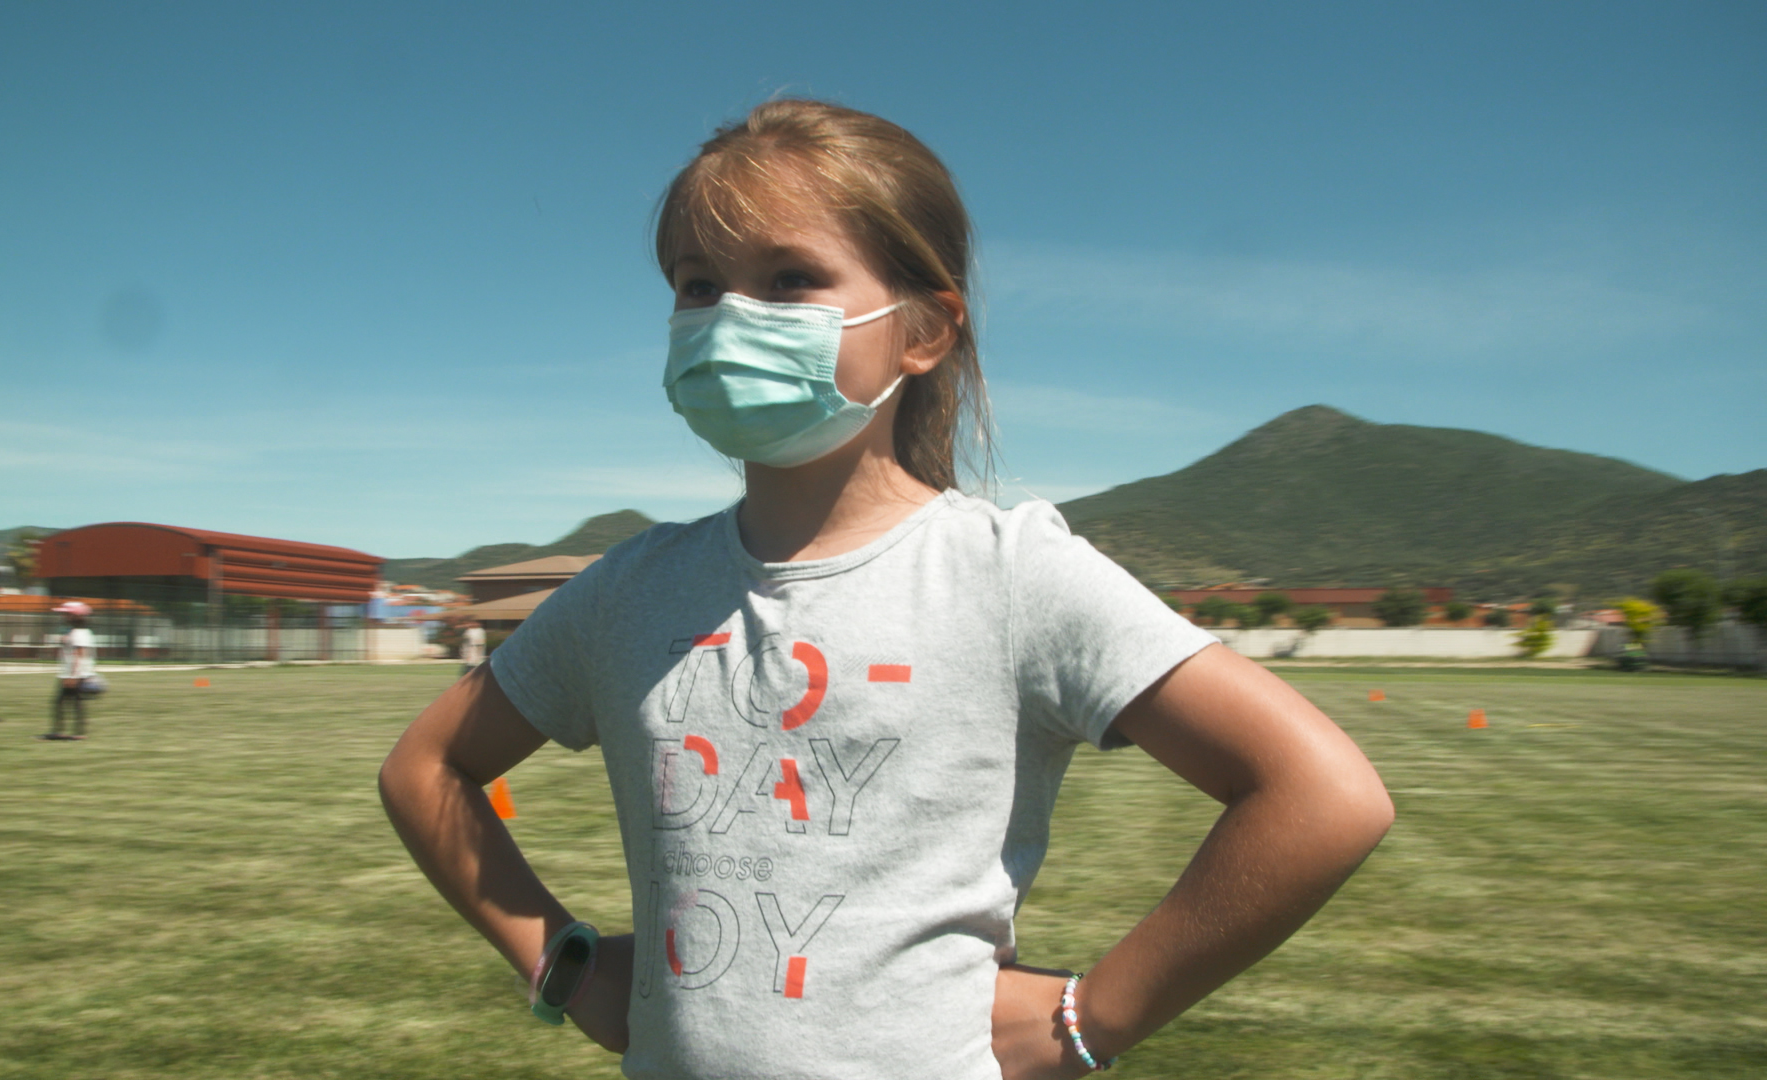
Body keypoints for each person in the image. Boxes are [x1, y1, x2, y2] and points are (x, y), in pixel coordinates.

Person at [380, 100, 1394, 1079]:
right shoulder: (626, 591)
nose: (731, 318)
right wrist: (563, 964)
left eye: (789, 281)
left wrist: (1093, 1021)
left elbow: (1322, 796)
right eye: (697, 285)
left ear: (923, 331)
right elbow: (425, 770)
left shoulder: (1006, 575)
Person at [44, 600, 96, 741]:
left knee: (64, 703)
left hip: (75, 675)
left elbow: (80, 655)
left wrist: (72, 676)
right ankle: (75, 732)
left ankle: (64, 732)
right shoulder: (75, 631)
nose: (63, 617)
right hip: (72, 674)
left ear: (75, 616)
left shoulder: (79, 633)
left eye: (66, 614)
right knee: (72, 703)